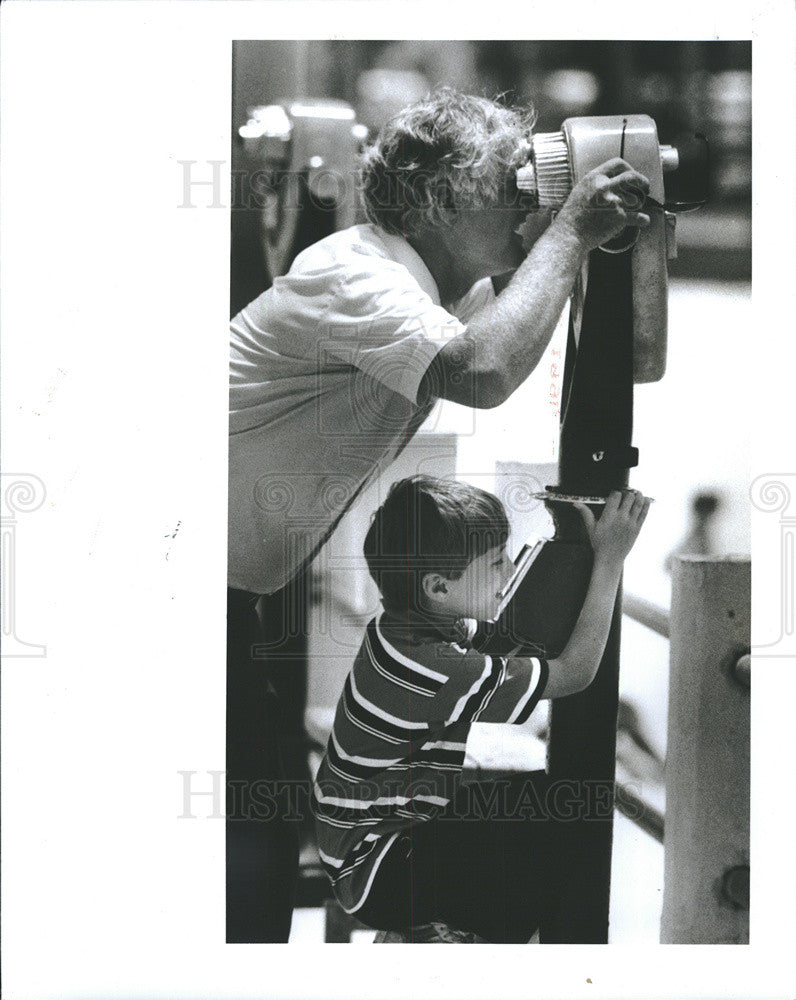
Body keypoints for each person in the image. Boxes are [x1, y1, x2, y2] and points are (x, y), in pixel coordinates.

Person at [228, 87, 651, 941]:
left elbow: (514, 318)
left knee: (253, 849)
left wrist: (571, 230)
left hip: (232, 587)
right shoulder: (357, 276)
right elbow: (487, 372)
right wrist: (572, 225)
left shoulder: (427, 285)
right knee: (239, 866)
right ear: (442, 197)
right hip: (179, 586)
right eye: (510, 182)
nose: (528, 195)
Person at [312, 476, 651, 942]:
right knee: (569, 808)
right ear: (438, 587)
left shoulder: (399, 628)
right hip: (381, 871)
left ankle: (472, 928)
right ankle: (471, 940)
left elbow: (504, 640)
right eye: (495, 562)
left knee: (535, 802)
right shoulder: (440, 669)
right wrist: (610, 560)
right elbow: (575, 673)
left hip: (360, 846)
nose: (509, 570)